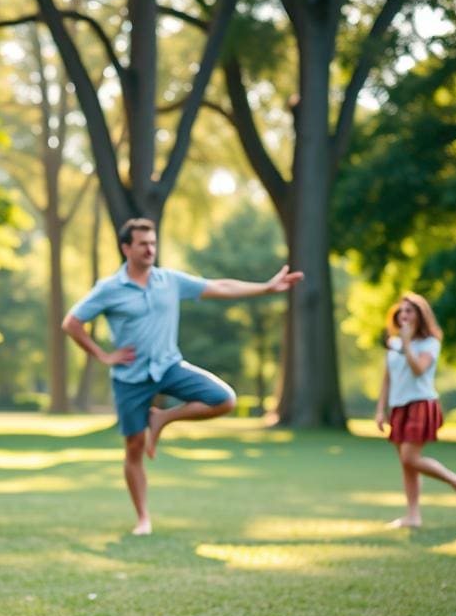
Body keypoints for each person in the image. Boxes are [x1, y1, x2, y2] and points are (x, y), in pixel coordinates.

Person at [62, 218, 303, 536]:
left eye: (153, 243)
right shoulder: (109, 289)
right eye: (142, 244)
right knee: (134, 448)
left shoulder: (169, 281)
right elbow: (72, 323)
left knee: (224, 399)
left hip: (169, 366)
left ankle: (163, 418)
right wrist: (104, 355)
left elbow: (220, 286)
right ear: (126, 248)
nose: (150, 249)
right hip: (130, 378)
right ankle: (143, 519)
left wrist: (266, 287)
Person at [374, 292, 456, 528]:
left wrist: (408, 343)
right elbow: (387, 378)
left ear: (420, 315)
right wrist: (381, 410)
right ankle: (413, 516)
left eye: (409, 311)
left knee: (410, 457)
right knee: (406, 463)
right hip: (398, 406)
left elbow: (419, 370)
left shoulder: (430, 343)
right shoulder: (393, 343)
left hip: (421, 403)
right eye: (401, 311)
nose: (404, 315)